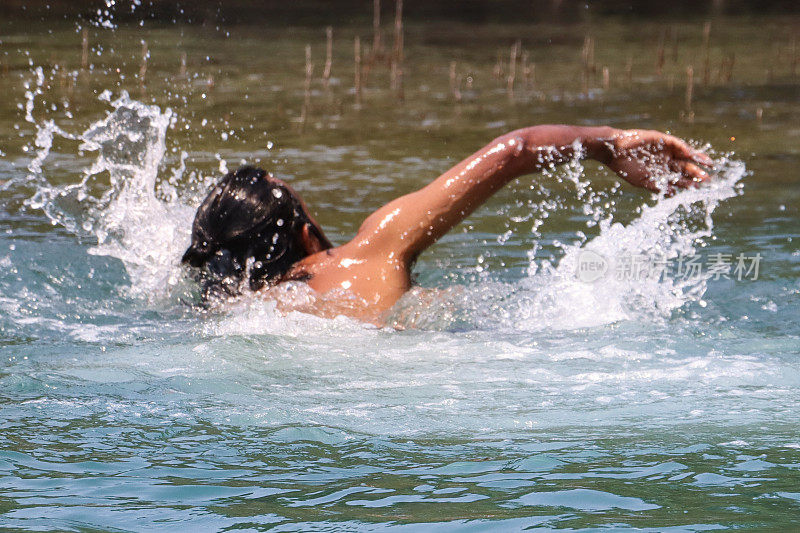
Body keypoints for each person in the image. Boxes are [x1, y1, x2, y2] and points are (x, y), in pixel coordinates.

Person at [182, 125, 713, 324]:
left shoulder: (235, 311)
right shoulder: (371, 253)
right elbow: (514, 151)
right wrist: (610, 145)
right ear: (301, 228)